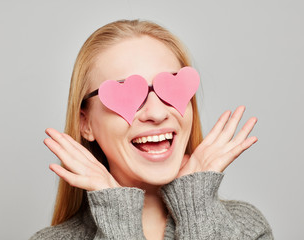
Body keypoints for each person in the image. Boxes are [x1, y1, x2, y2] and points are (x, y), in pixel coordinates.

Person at [30, 19, 273, 240]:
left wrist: (196, 205)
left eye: (172, 88)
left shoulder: (247, 229)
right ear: (86, 124)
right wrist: (116, 213)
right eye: (127, 95)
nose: (157, 113)